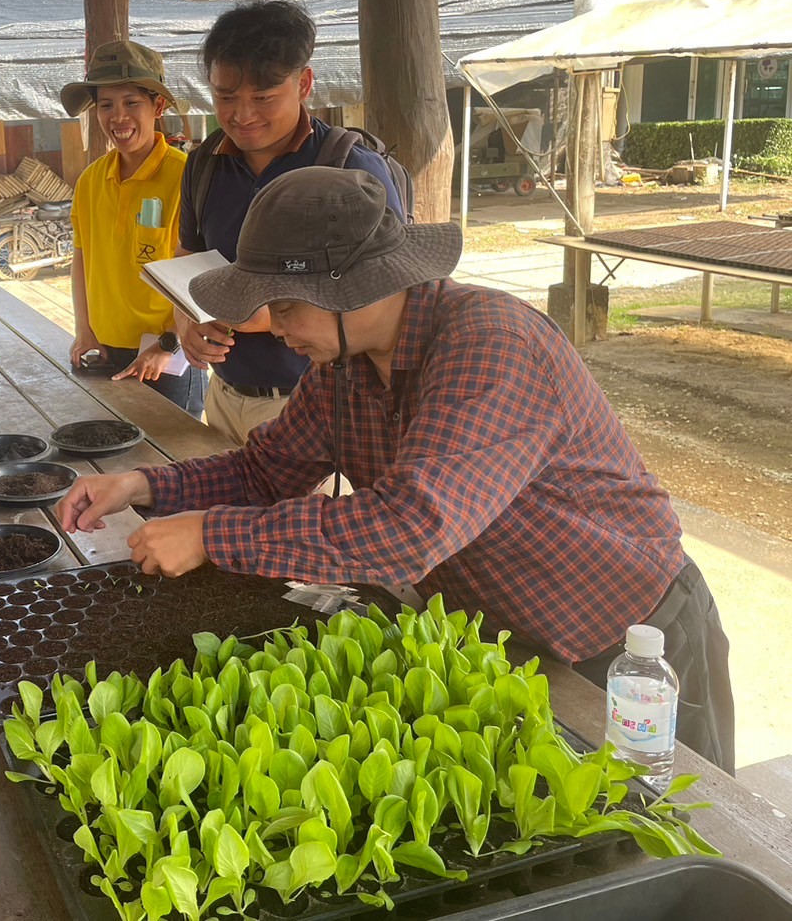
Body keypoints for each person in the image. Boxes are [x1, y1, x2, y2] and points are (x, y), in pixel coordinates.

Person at [56, 167, 735, 772]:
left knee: (675, 835)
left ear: (351, 288)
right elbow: (268, 471)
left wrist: (211, 534)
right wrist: (141, 484)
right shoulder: (341, 369)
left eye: (285, 303)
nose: (271, 323)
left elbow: (411, 526)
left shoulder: (488, 343)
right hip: (504, 634)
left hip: (627, 644)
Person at [177, 0, 404, 446]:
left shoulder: (350, 170)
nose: (242, 116)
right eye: (225, 97)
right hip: (223, 397)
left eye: (263, 98)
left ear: (303, 83)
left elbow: (390, 296)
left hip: (320, 403)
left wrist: (258, 316)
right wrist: (187, 323)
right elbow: (187, 260)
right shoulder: (204, 165)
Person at [61, 40, 204, 416]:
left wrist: (170, 343)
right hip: (103, 349)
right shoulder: (91, 180)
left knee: (171, 465)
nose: (118, 117)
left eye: (131, 103)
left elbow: (202, 276)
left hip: (166, 357)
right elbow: (82, 259)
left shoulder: (186, 176)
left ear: (157, 106)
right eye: (106, 105)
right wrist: (84, 329)